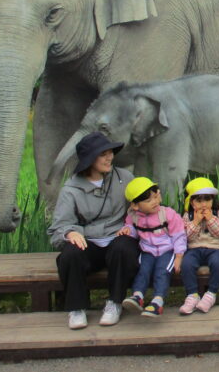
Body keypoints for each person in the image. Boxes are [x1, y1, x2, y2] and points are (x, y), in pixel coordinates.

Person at [48, 132, 139, 330]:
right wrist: (70, 233)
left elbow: (141, 207)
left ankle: (115, 303)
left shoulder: (124, 178)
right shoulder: (71, 189)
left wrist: (131, 224)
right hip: (89, 241)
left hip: (117, 237)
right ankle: (76, 308)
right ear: (89, 160)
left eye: (110, 153)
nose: (109, 158)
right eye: (102, 154)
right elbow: (59, 227)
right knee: (70, 254)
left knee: (124, 248)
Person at [119, 177, 186, 317]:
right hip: (147, 251)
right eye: (149, 200)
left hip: (167, 251)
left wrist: (179, 255)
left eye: (156, 197)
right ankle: (138, 296)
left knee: (162, 272)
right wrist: (127, 230)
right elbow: (132, 228)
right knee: (143, 271)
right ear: (135, 205)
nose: (155, 202)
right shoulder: (133, 216)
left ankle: (158, 301)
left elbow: (179, 235)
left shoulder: (167, 214)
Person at [179, 177, 219, 314]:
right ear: (191, 202)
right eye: (199, 201)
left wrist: (211, 219)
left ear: (213, 200)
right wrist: (195, 222)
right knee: (187, 264)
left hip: (215, 248)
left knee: (218, 263)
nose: (204, 204)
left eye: (207, 200)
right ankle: (192, 295)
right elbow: (186, 237)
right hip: (194, 248)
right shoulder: (187, 216)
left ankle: (211, 294)